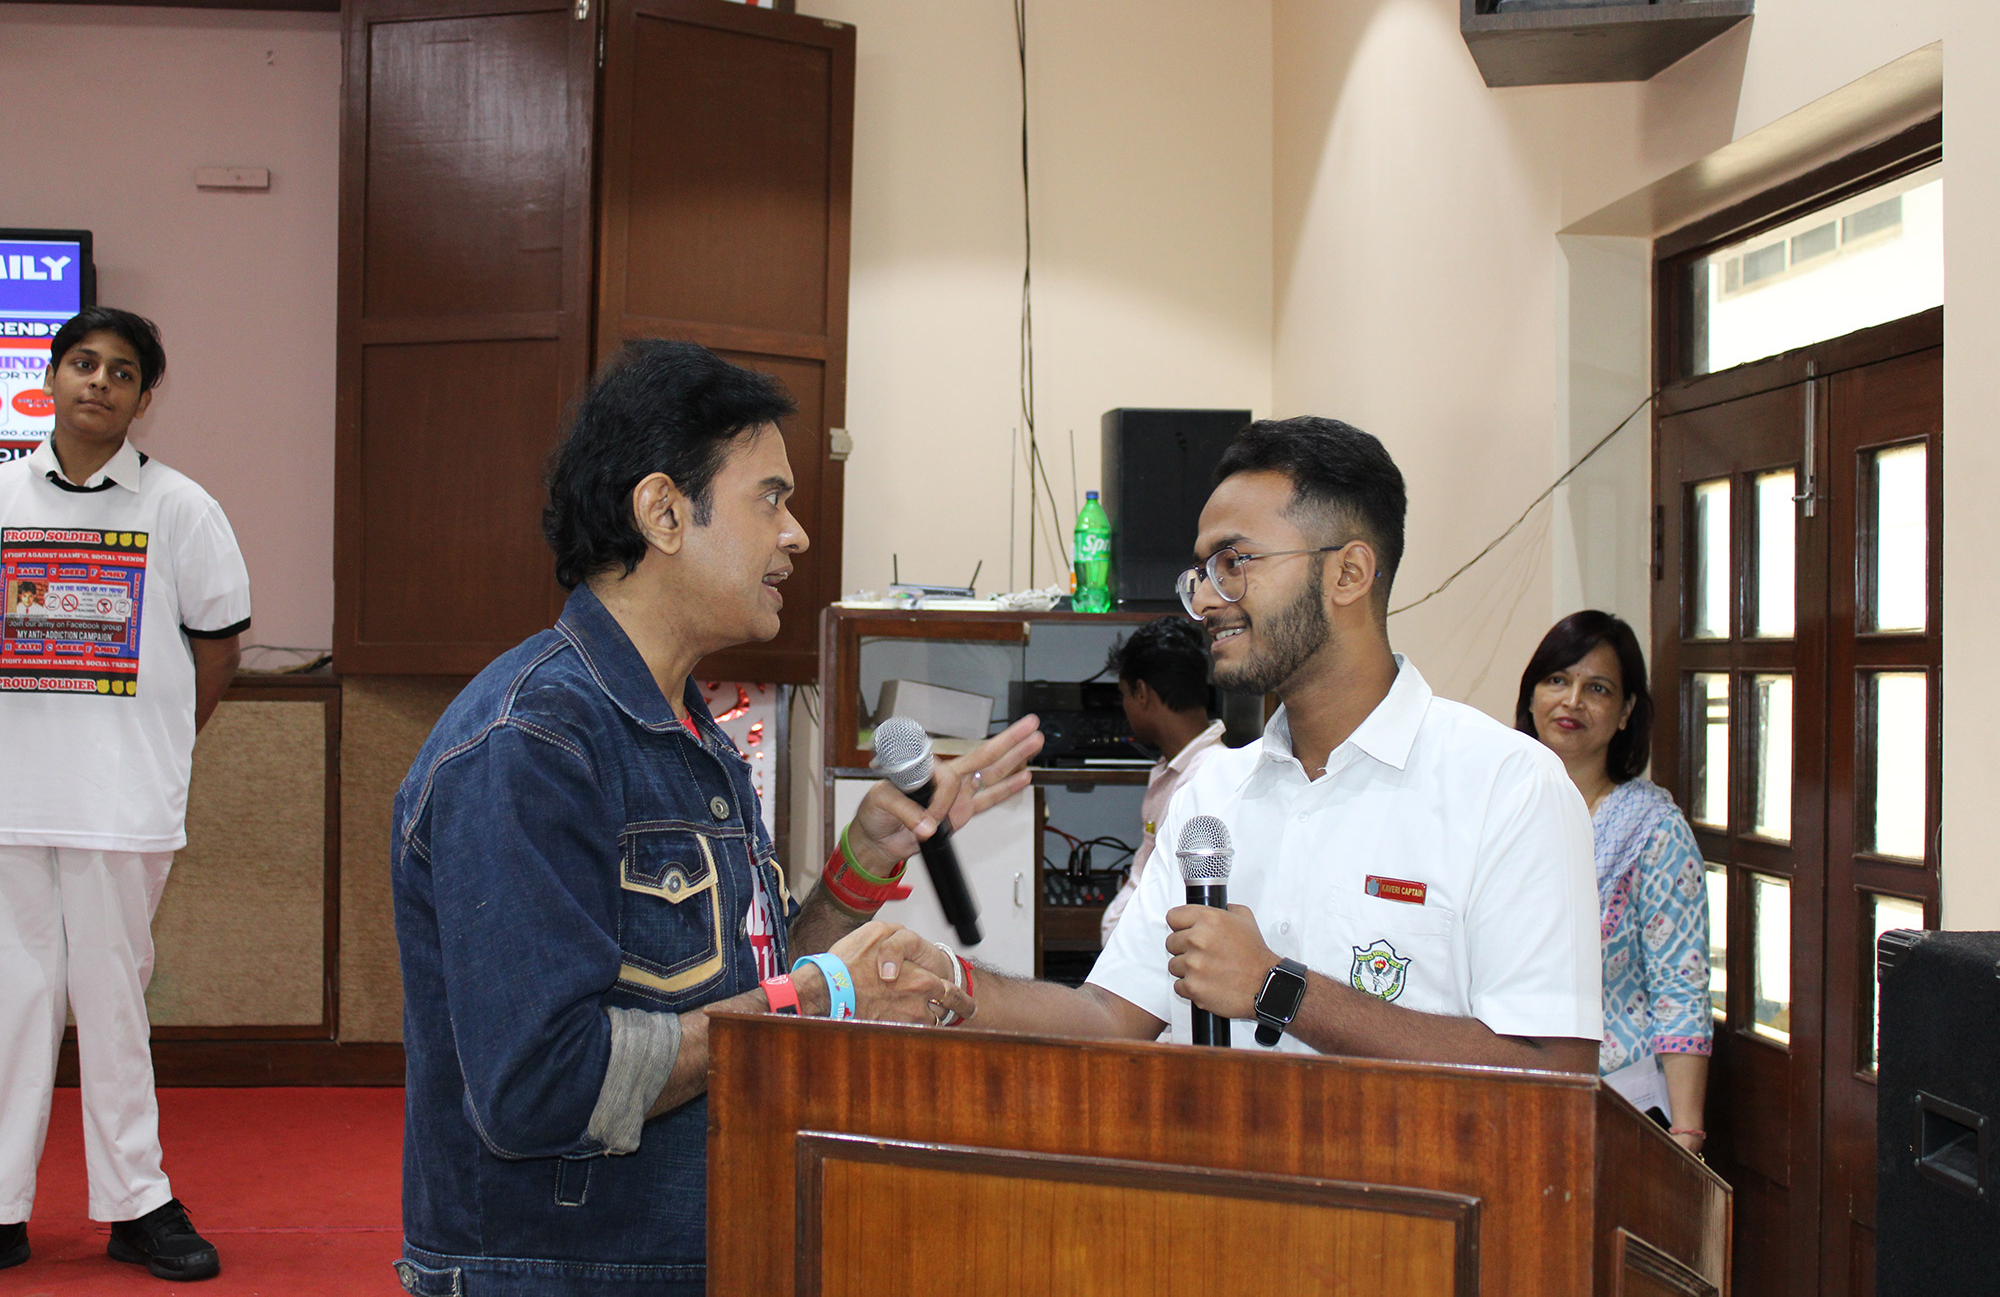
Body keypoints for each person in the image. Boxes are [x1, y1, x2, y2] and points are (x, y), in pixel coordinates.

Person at [389, 341, 1037, 1297]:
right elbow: (542, 1088)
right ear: (662, 512)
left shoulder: (689, 731)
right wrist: (829, 992)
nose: (797, 534)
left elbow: (746, 1000)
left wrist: (859, 867)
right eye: (770, 498)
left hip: (699, 1249)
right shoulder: (531, 743)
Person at [884, 416, 1603, 1069]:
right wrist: (948, 981)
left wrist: (1277, 988)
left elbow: (1554, 1069)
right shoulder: (1213, 792)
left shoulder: (1509, 787)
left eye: (1234, 562)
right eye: (1200, 572)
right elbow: (1108, 1016)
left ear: (1348, 572)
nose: (1204, 600)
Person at [0, 308, 250, 1281]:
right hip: (11, 799)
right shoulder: (2, 496)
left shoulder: (181, 507)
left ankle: (137, 1201)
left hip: (120, 803)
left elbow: (218, 647)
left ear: (145, 399)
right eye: (82, 363)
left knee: (112, 1004)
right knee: (11, 1001)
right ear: (50, 380)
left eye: (121, 372)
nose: (98, 382)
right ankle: (2, 1204)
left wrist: (160, 747)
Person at [1518, 610, 1711, 1154]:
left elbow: (1681, 987)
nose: (1572, 700)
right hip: (1502, 1088)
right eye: (1557, 679)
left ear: (1626, 712)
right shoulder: (1487, 809)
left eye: (1597, 688)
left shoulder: (1653, 831)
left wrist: (1687, 1133)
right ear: (1531, 696)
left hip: (1619, 1105)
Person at [1100, 616, 1226, 944]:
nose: (1125, 707)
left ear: (1142, 693)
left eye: (1125, 694)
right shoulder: (1172, 769)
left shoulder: (1206, 782)